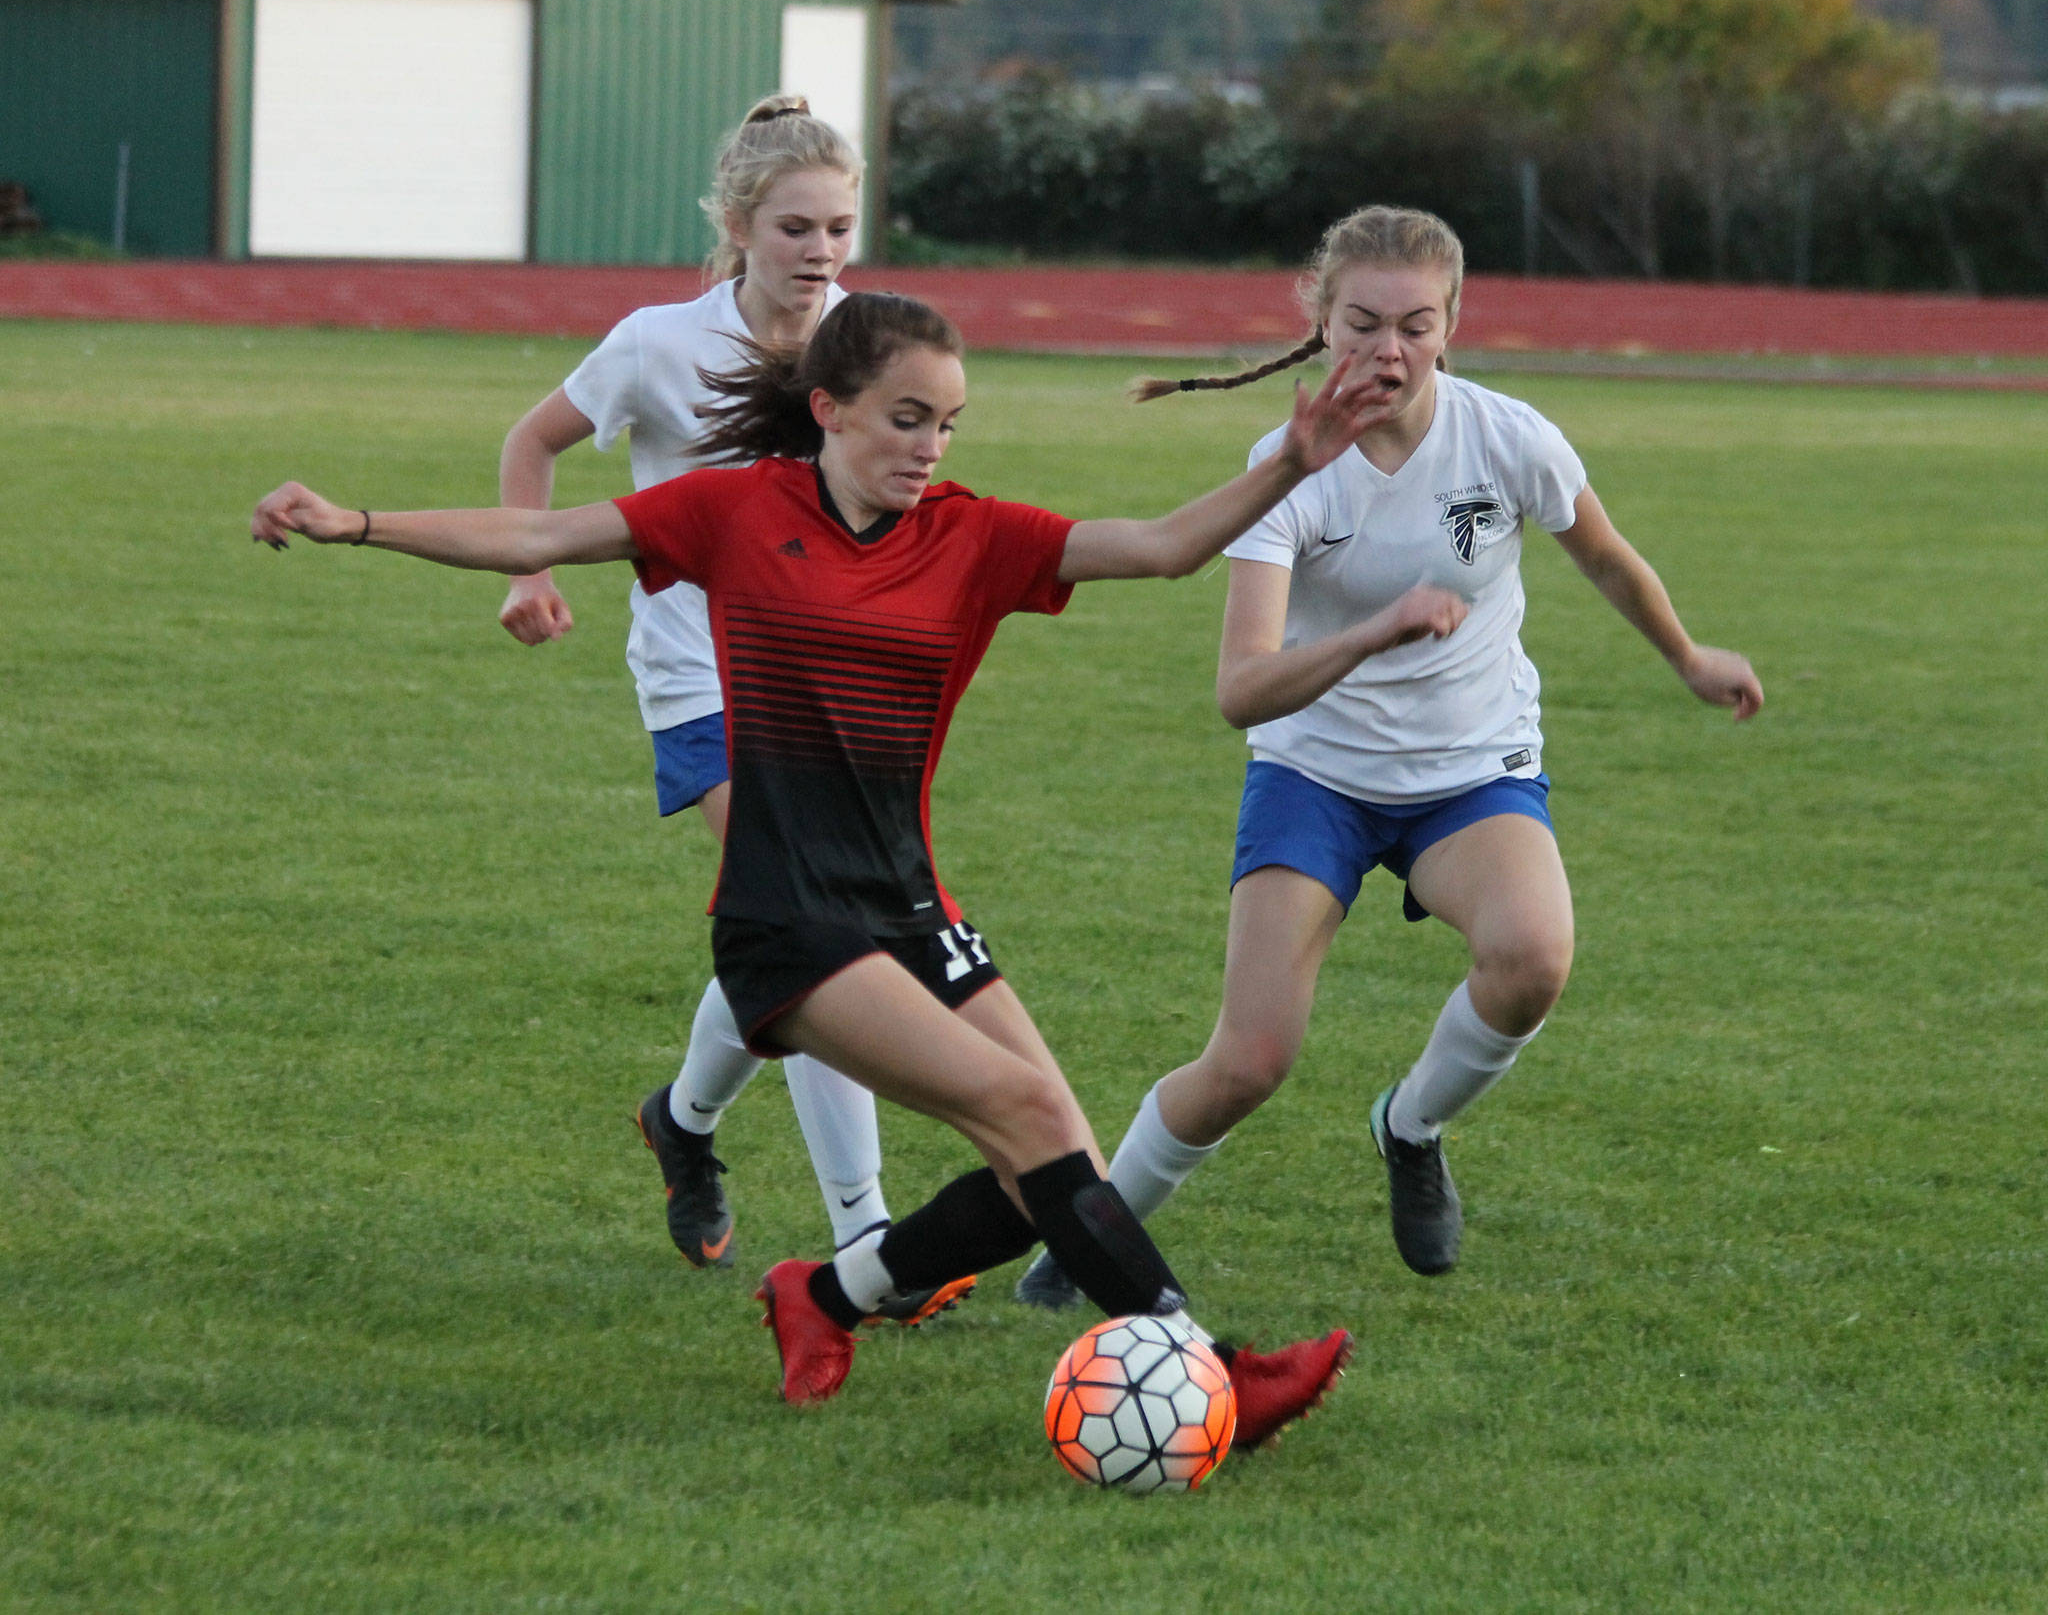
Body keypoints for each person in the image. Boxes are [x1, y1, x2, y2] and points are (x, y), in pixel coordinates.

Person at [251, 290, 1435, 1440]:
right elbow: (540, 531)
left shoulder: (971, 536)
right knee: (1025, 1114)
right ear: (827, 407)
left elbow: (1165, 547)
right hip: (785, 918)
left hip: (908, 901)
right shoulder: (732, 509)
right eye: (904, 417)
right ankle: (1212, 1371)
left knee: (1050, 1169)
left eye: (948, 422)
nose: (929, 447)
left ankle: (823, 1296)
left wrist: (1291, 456)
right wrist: (357, 521)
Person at [1016, 205, 1764, 1306]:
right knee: (1248, 1061)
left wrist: (1688, 654)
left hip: (1470, 767)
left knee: (1532, 957)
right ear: (1319, 323)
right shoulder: (1286, 467)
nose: (1387, 351)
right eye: (1361, 323)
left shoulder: (1506, 437)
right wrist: (1373, 630)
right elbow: (1238, 689)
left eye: (1415, 325)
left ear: (1451, 325)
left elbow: (1603, 557)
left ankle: (1408, 1125)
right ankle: (1085, 1245)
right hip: (1312, 773)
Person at [494, 94, 921, 1297]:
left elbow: (905, 490)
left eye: (840, 226)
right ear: (739, 225)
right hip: (697, 678)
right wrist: (530, 567)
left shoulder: (869, 341)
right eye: (796, 228)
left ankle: (683, 1118)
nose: (822, 252)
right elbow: (532, 444)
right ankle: (864, 1234)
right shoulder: (655, 343)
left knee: (790, 930)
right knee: (821, 929)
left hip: (826, 682)